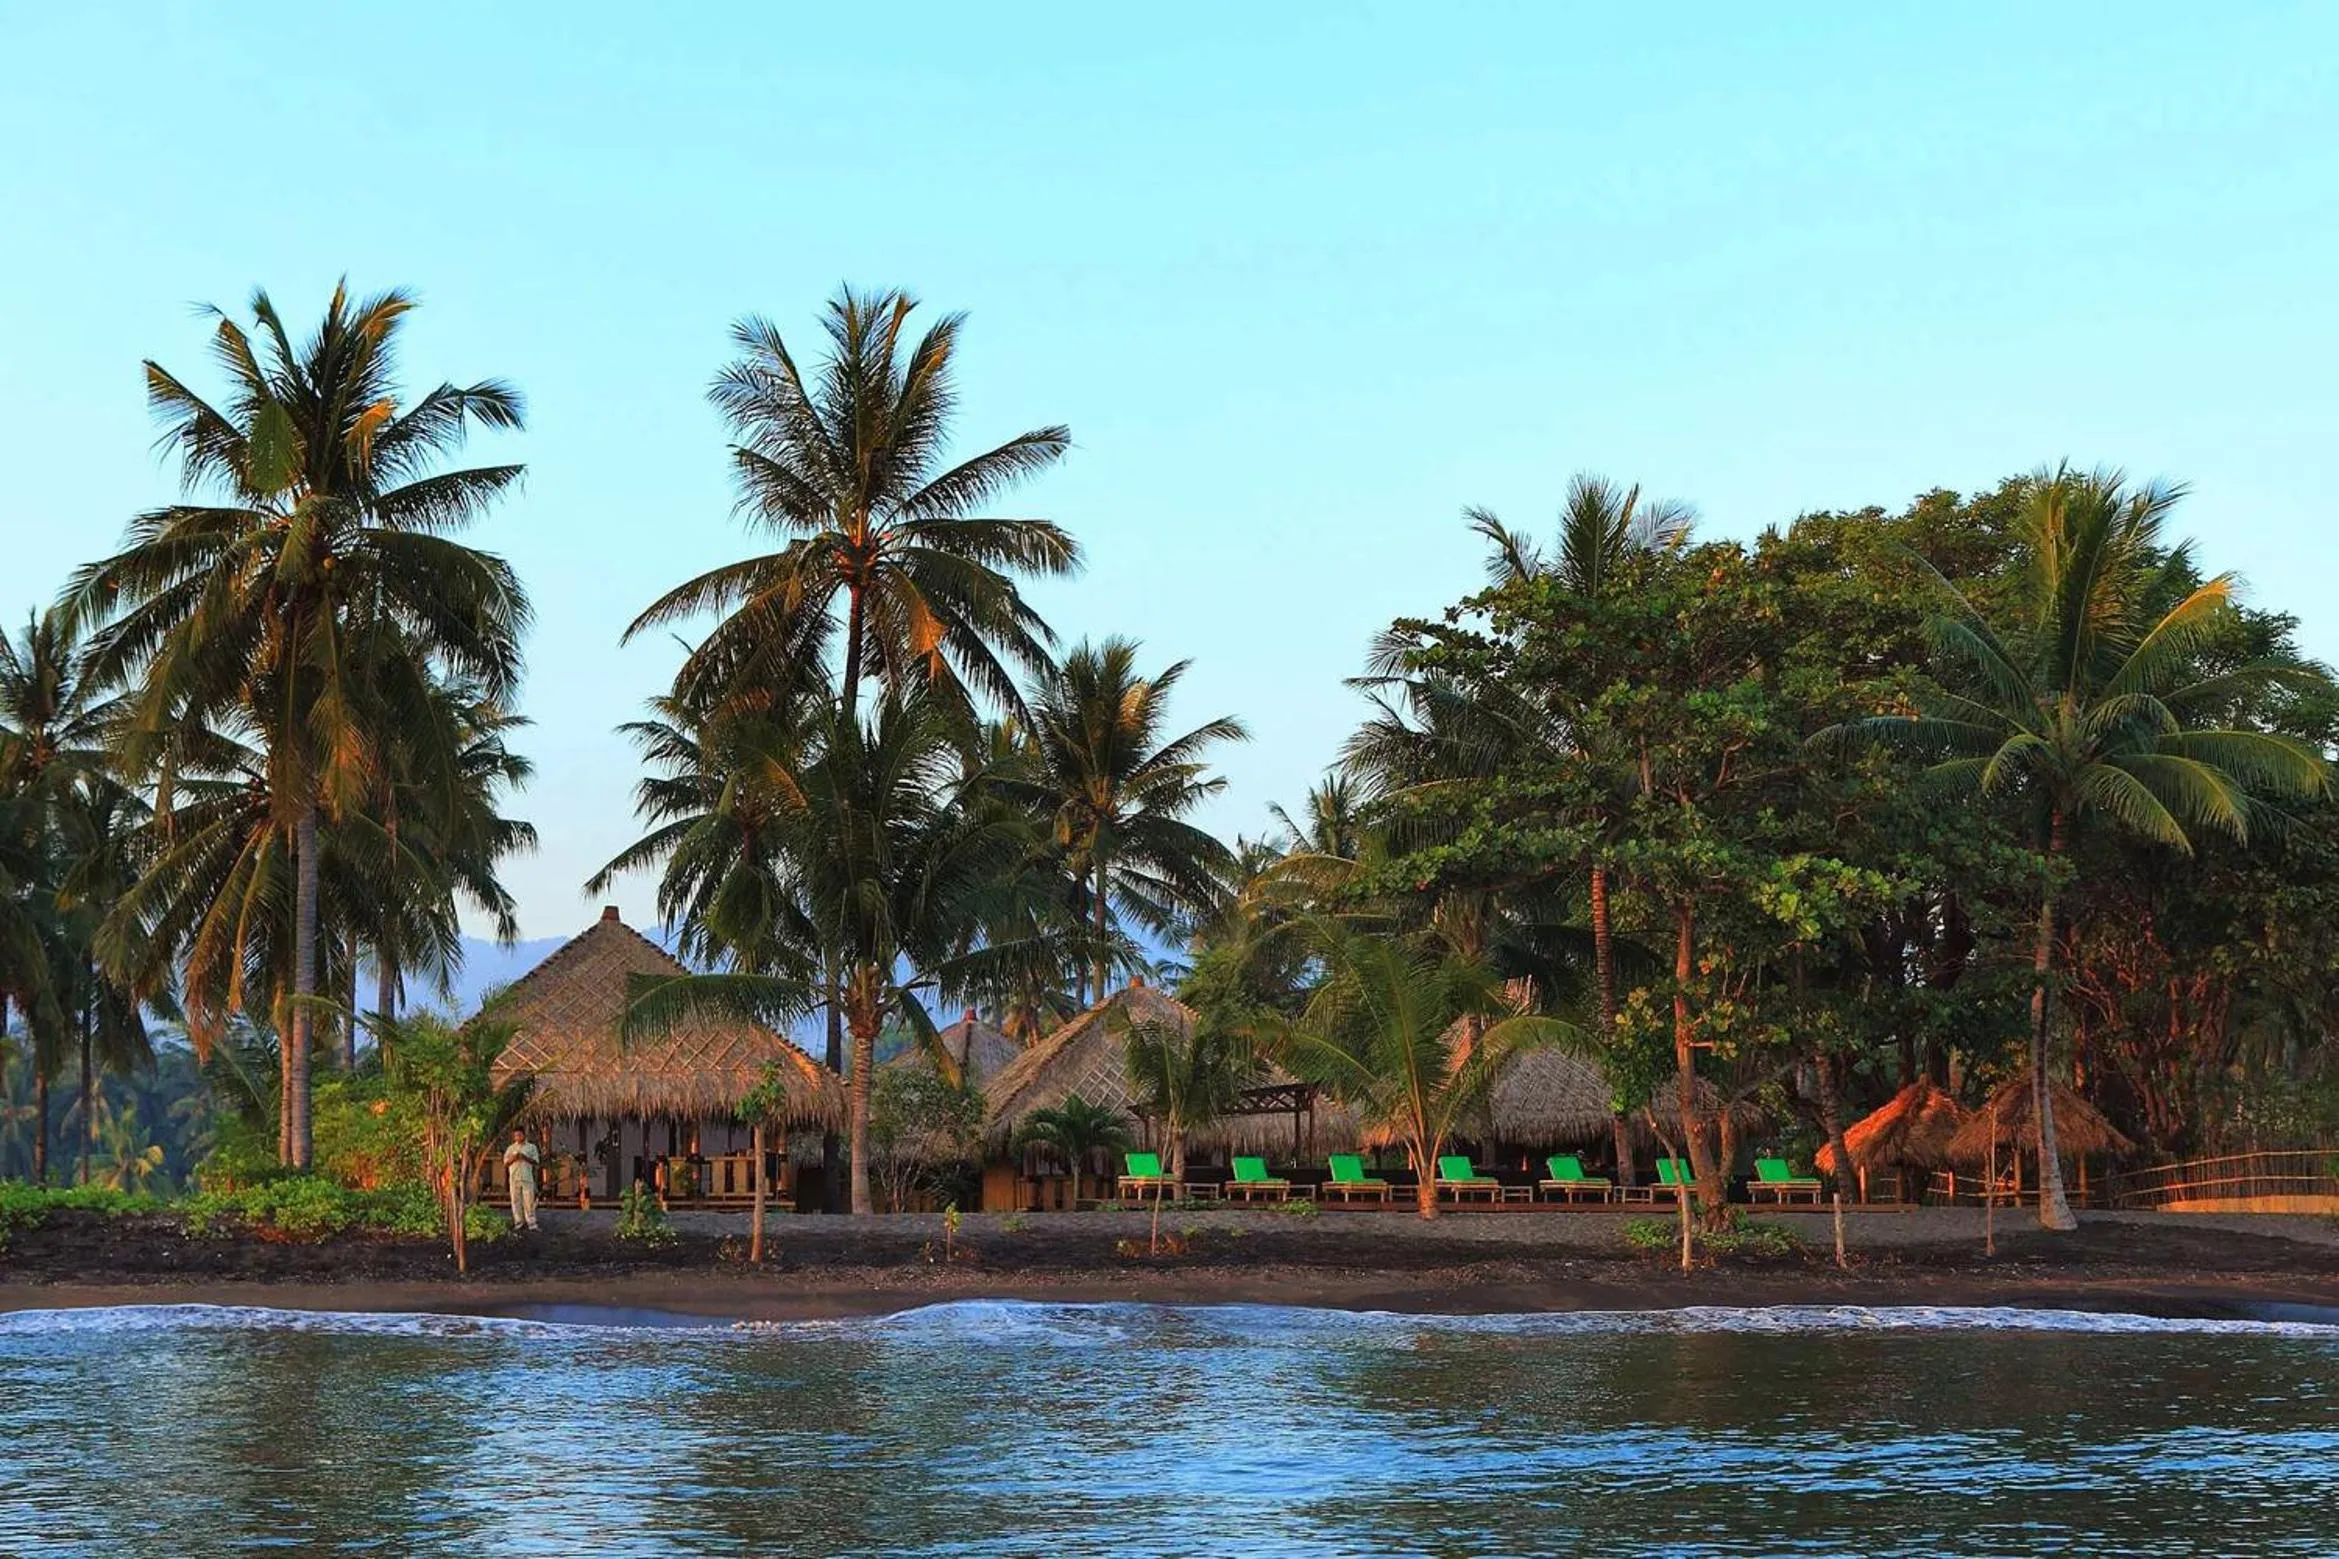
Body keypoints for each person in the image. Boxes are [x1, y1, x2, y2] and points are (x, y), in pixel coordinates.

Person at [502, 1128, 542, 1232]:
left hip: (527, 1177)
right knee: (515, 1201)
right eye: (516, 1136)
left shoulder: (531, 1147)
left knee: (529, 1201)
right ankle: (518, 1222)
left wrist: (524, 1157)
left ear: (524, 1135)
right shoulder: (510, 1148)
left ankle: (531, 1223)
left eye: (520, 1135)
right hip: (514, 1178)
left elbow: (536, 1162)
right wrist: (514, 1158)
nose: (518, 1137)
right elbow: (505, 1163)